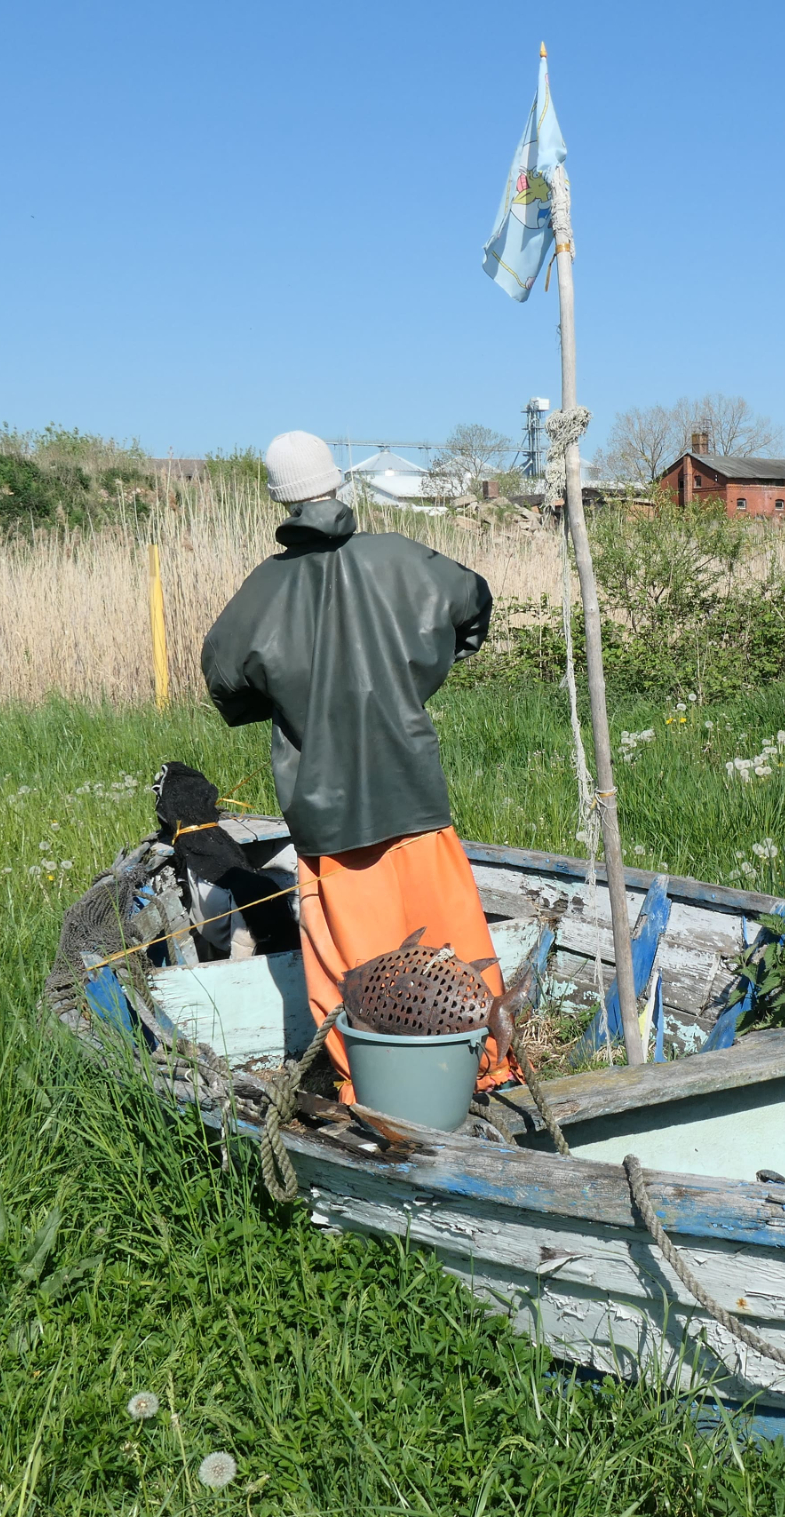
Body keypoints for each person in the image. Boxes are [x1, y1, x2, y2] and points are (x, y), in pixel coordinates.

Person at [201, 430, 509, 1094]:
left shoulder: (263, 590)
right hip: (416, 794)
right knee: (454, 951)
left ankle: (369, 1090)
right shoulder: (402, 558)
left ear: (279, 499)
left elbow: (224, 683)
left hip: (327, 816)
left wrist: (287, 702)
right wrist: (429, 668)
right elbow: (474, 603)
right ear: (338, 483)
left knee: (353, 968)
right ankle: (487, 1071)